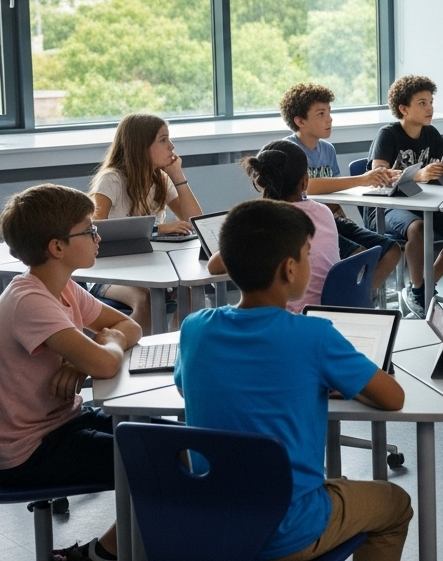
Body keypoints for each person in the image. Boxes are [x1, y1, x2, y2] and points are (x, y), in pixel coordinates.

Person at [176, 199, 412, 561]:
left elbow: (185, 386)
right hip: (288, 530)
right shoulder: (314, 336)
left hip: (214, 521)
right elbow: (393, 398)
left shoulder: (194, 329)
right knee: (395, 504)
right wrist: (343, 382)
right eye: (306, 253)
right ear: (290, 269)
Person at [0, 184, 142, 561]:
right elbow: (106, 361)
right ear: (57, 247)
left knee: (169, 440)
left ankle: (115, 549)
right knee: (160, 462)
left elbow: (131, 326)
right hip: (29, 451)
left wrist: (82, 358)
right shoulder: (29, 300)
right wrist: (94, 353)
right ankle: (100, 554)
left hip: (65, 422)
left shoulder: (62, 289)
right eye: (88, 229)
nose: (97, 236)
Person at [280, 82, 403, 291]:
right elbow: (308, 188)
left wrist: (343, 215)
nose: (329, 119)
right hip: (306, 225)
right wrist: (362, 179)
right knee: (360, 255)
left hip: (331, 218)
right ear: (300, 121)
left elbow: (334, 190)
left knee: (392, 250)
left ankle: (360, 297)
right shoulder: (289, 150)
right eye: (321, 114)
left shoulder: (327, 149)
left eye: (329, 112)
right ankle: (351, 299)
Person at [370, 75, 443, 310]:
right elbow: (378, 172)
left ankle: (425, 285)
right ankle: (420, 291)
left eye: (430, 102)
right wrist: (417, 175)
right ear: (403, 109)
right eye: (422, 103)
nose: (430, 108)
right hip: (389, 206)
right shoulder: (388, 134)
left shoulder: (431, 133)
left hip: (423, 202)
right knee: (417, 228)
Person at [89, 113, 203, 329]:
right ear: (140, 147)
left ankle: (178, 352)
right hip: (108, 274)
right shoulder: (112, 179)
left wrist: (178, 177)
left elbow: (195, 221)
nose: (171, 146)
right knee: (147, 298)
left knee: (188, 295)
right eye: (163, 140)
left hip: (148, 268)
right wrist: (158, 228)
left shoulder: (160, 179)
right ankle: (128, 356)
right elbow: (95, 228)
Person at [205, 141, 340, 313]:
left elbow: (214, 266)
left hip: (288, 317)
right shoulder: (324, 211)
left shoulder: (264, 223)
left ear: (260, 180)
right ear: (305, 181)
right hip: (327, 312)